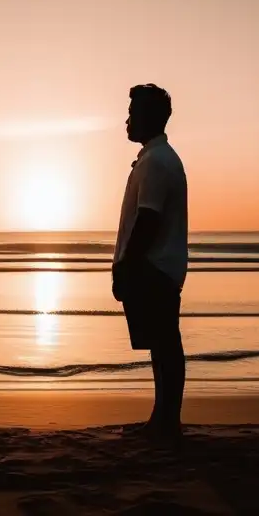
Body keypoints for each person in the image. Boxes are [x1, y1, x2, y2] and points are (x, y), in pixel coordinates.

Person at [112, 84, 189, 444]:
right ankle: (162, 420)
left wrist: (126, 265)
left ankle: (166, 423)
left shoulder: (158, 162)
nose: (126, 120)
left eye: (131, 113)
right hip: (156, 266)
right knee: (162, 344)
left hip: (154, 267)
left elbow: (148, 219)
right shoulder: (154, 158)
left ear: (147, 118)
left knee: (164, 344)